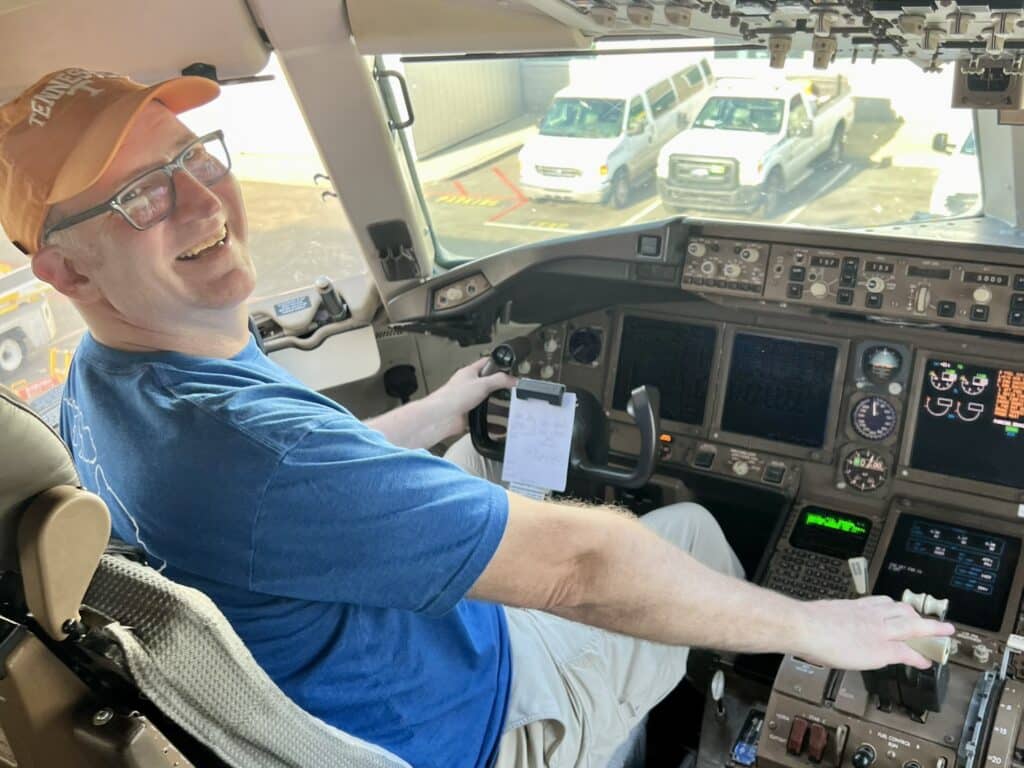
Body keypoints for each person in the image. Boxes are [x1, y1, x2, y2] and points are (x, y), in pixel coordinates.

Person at [0, 68, 953, 768]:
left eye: (193, 158)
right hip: (481, 716)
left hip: (364, 667)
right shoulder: (247, 452)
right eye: (140, 196)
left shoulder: (103, 381)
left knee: (470, 448)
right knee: (694, 532)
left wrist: (438, 406)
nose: (202, 199)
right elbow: (581, 568)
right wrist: (812, 627)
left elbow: (302, 481)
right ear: (67, 272)